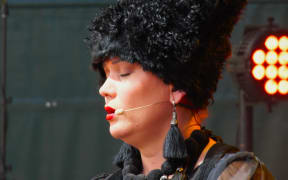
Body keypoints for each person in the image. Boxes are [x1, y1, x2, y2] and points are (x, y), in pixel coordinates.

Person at [86, 0, 274, 179]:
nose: (104, 89)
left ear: (176, 85)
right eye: (106, 73)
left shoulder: (236, 174)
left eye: (124, 73)